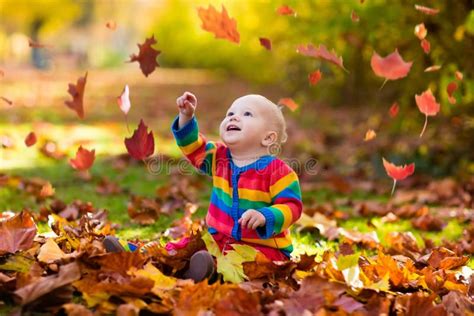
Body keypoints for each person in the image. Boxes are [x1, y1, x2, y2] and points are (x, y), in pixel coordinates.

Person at [104, 91, 303, 282]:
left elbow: (292, 207)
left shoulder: (279, 172)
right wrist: (186, 117)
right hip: (218, 239)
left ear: (268, 138)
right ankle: (143, 255)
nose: (234, 118)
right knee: (183, 247)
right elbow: (194, 148)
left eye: (247, 114)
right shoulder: (219, 157)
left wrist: (266, 215)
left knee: (243, 266)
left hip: (262, 249)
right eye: (230, 113)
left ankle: (207, 271)